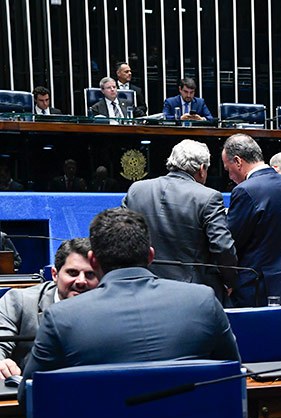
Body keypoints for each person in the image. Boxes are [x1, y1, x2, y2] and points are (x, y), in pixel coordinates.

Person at [22, 208, 240, 380]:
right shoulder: (203, 300)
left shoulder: (61, 316)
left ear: (93, 260)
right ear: (151, 256)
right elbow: (232, 374)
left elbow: (31, 395)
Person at [123, 139, 238, 303]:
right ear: (202, 169)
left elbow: (122, 235)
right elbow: (222, 246)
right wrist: (231, 281)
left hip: (141, 287)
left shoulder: (137, 189)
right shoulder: (208, 197)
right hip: (191, 293)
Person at [223, 134, 281, 306]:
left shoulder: (244, 190)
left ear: (238, 161)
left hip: (258, 289)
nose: (229, 175)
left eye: (228, 168)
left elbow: (231, 241)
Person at [0, 238, 99, 380]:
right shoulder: (18, 301)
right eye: (72, 273)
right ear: (54, 274)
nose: (81, 281)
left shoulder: (110, 308)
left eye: (90, 274)